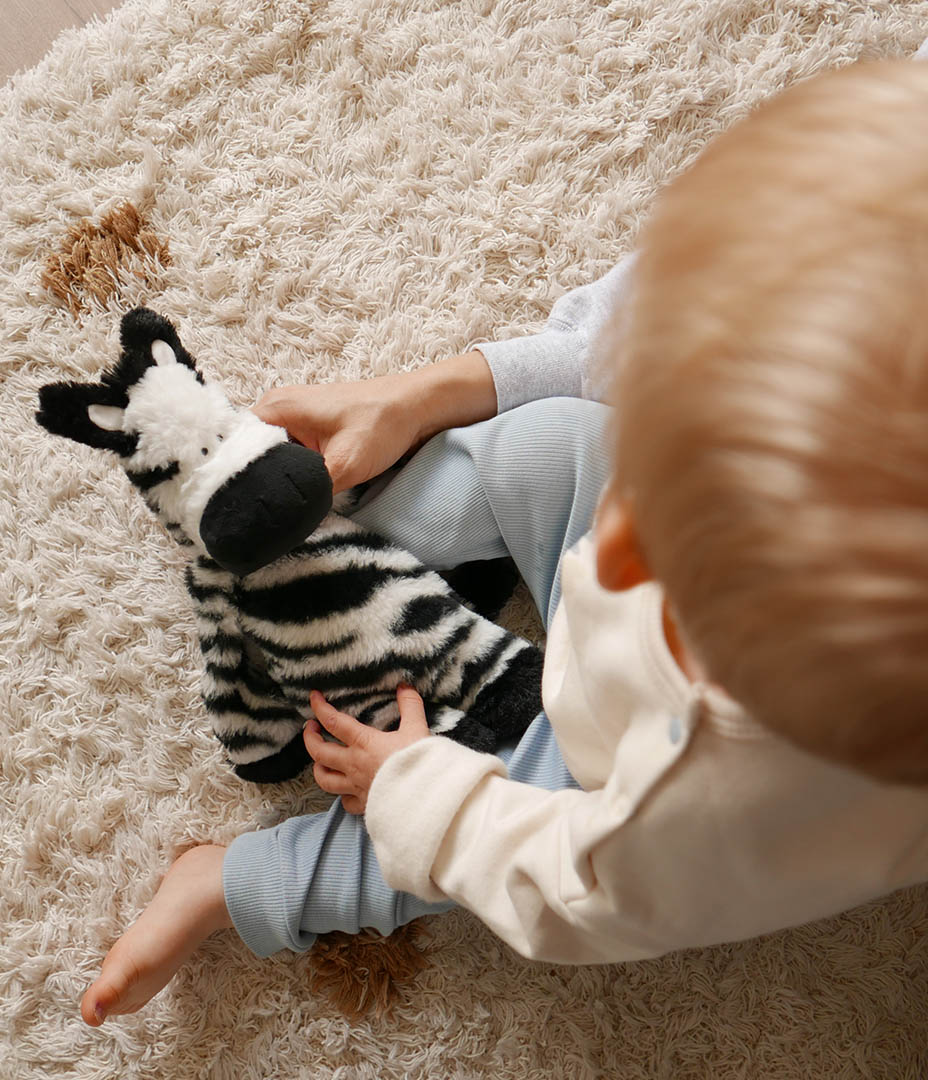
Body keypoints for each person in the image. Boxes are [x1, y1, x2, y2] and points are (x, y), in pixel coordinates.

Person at [79, 56, 928, 1025]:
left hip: (637, 755)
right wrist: (438, 394)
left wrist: (419, 795)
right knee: (550, 442)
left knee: (498, 806)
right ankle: (332, 551)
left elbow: (573, 894)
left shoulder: (727, 797)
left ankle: (232, 883)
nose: (614, 547)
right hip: (743, 601)